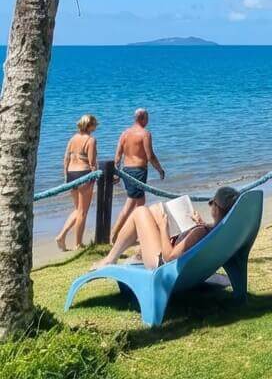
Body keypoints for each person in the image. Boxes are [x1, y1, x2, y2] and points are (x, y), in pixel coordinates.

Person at [95, 186, 238, 270]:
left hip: (163, 266)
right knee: (156, 210)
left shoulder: (201, 232)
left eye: (212, 203)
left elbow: (169, 258)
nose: (211, 206)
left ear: (217, 210)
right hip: (189, 269)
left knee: (140, 212)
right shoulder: (223, 231)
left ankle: (111, 258)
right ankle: (137, 253)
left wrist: (164, 229)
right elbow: (205, 234)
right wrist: (200, 223)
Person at [111, 108, 166, 242]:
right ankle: (115, 235)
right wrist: (160, 169)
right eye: (147, 118)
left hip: (126, 171)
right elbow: (150, 155)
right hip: (138, 172)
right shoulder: (144, 134)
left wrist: (117, 173)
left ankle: (134, 234)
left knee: (138, 204)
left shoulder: (124, 133)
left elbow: (118, 156)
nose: (148, 121)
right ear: (142, 118)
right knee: (132, 205)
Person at [56, 114, 99, 252]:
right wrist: (96, 177)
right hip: (83, 174)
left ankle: (61, 236)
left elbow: (66, 158)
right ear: (89, 125)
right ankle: (78, 244)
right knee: (82, 212)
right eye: (95, 124)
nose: (96, 126)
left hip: (71, 174)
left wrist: (66, 176)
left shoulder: (72, 138)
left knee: (77, 209)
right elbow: (92, 163)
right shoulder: (90, 140)